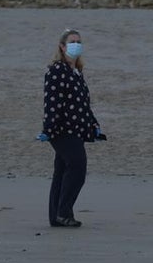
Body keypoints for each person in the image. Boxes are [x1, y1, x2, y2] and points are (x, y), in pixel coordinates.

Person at [37, 29, 106, 228]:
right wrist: (49, 129)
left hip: (77, 130)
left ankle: (56, 216)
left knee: (62, 171)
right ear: (62, 46)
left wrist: (94, 126)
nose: (76, 44)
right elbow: (52, 102)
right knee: (77, 168)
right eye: (72, 41)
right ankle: (64, 212)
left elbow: (83, 104)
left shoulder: (76, 72)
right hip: (61, 130)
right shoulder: (57, 70)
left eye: (78, 41)